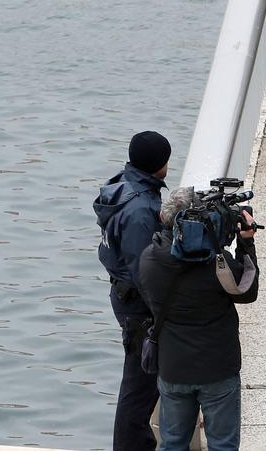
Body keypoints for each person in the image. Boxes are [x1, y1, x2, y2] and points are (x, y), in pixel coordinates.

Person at [136, 187, 262, 451]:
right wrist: (246, 242)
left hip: (173, 367)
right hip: (218, 368)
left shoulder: (149, 260)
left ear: (165, 218)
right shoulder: (216, 263)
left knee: (172, 444)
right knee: (223, 445)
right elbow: (246, 291)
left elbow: (149, 299)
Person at [94, 130, 171, 451]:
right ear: (159, 165)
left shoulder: (124, 183)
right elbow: (145, 272)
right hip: (138, 305)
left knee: (141, 382)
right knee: (139, 387)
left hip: (124, 295)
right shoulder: (140, 210)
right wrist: (166, 312)